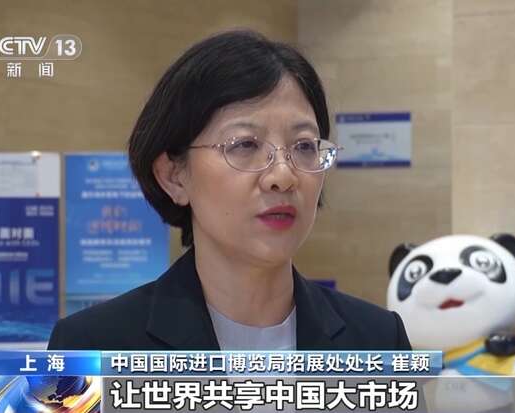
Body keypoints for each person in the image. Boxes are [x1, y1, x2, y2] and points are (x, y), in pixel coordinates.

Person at [48, 30, 413, 351]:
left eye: (304, 146)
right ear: (174, 176)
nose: (283, 176)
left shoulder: (379, 339)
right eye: (245, 145)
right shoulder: (92, 346)